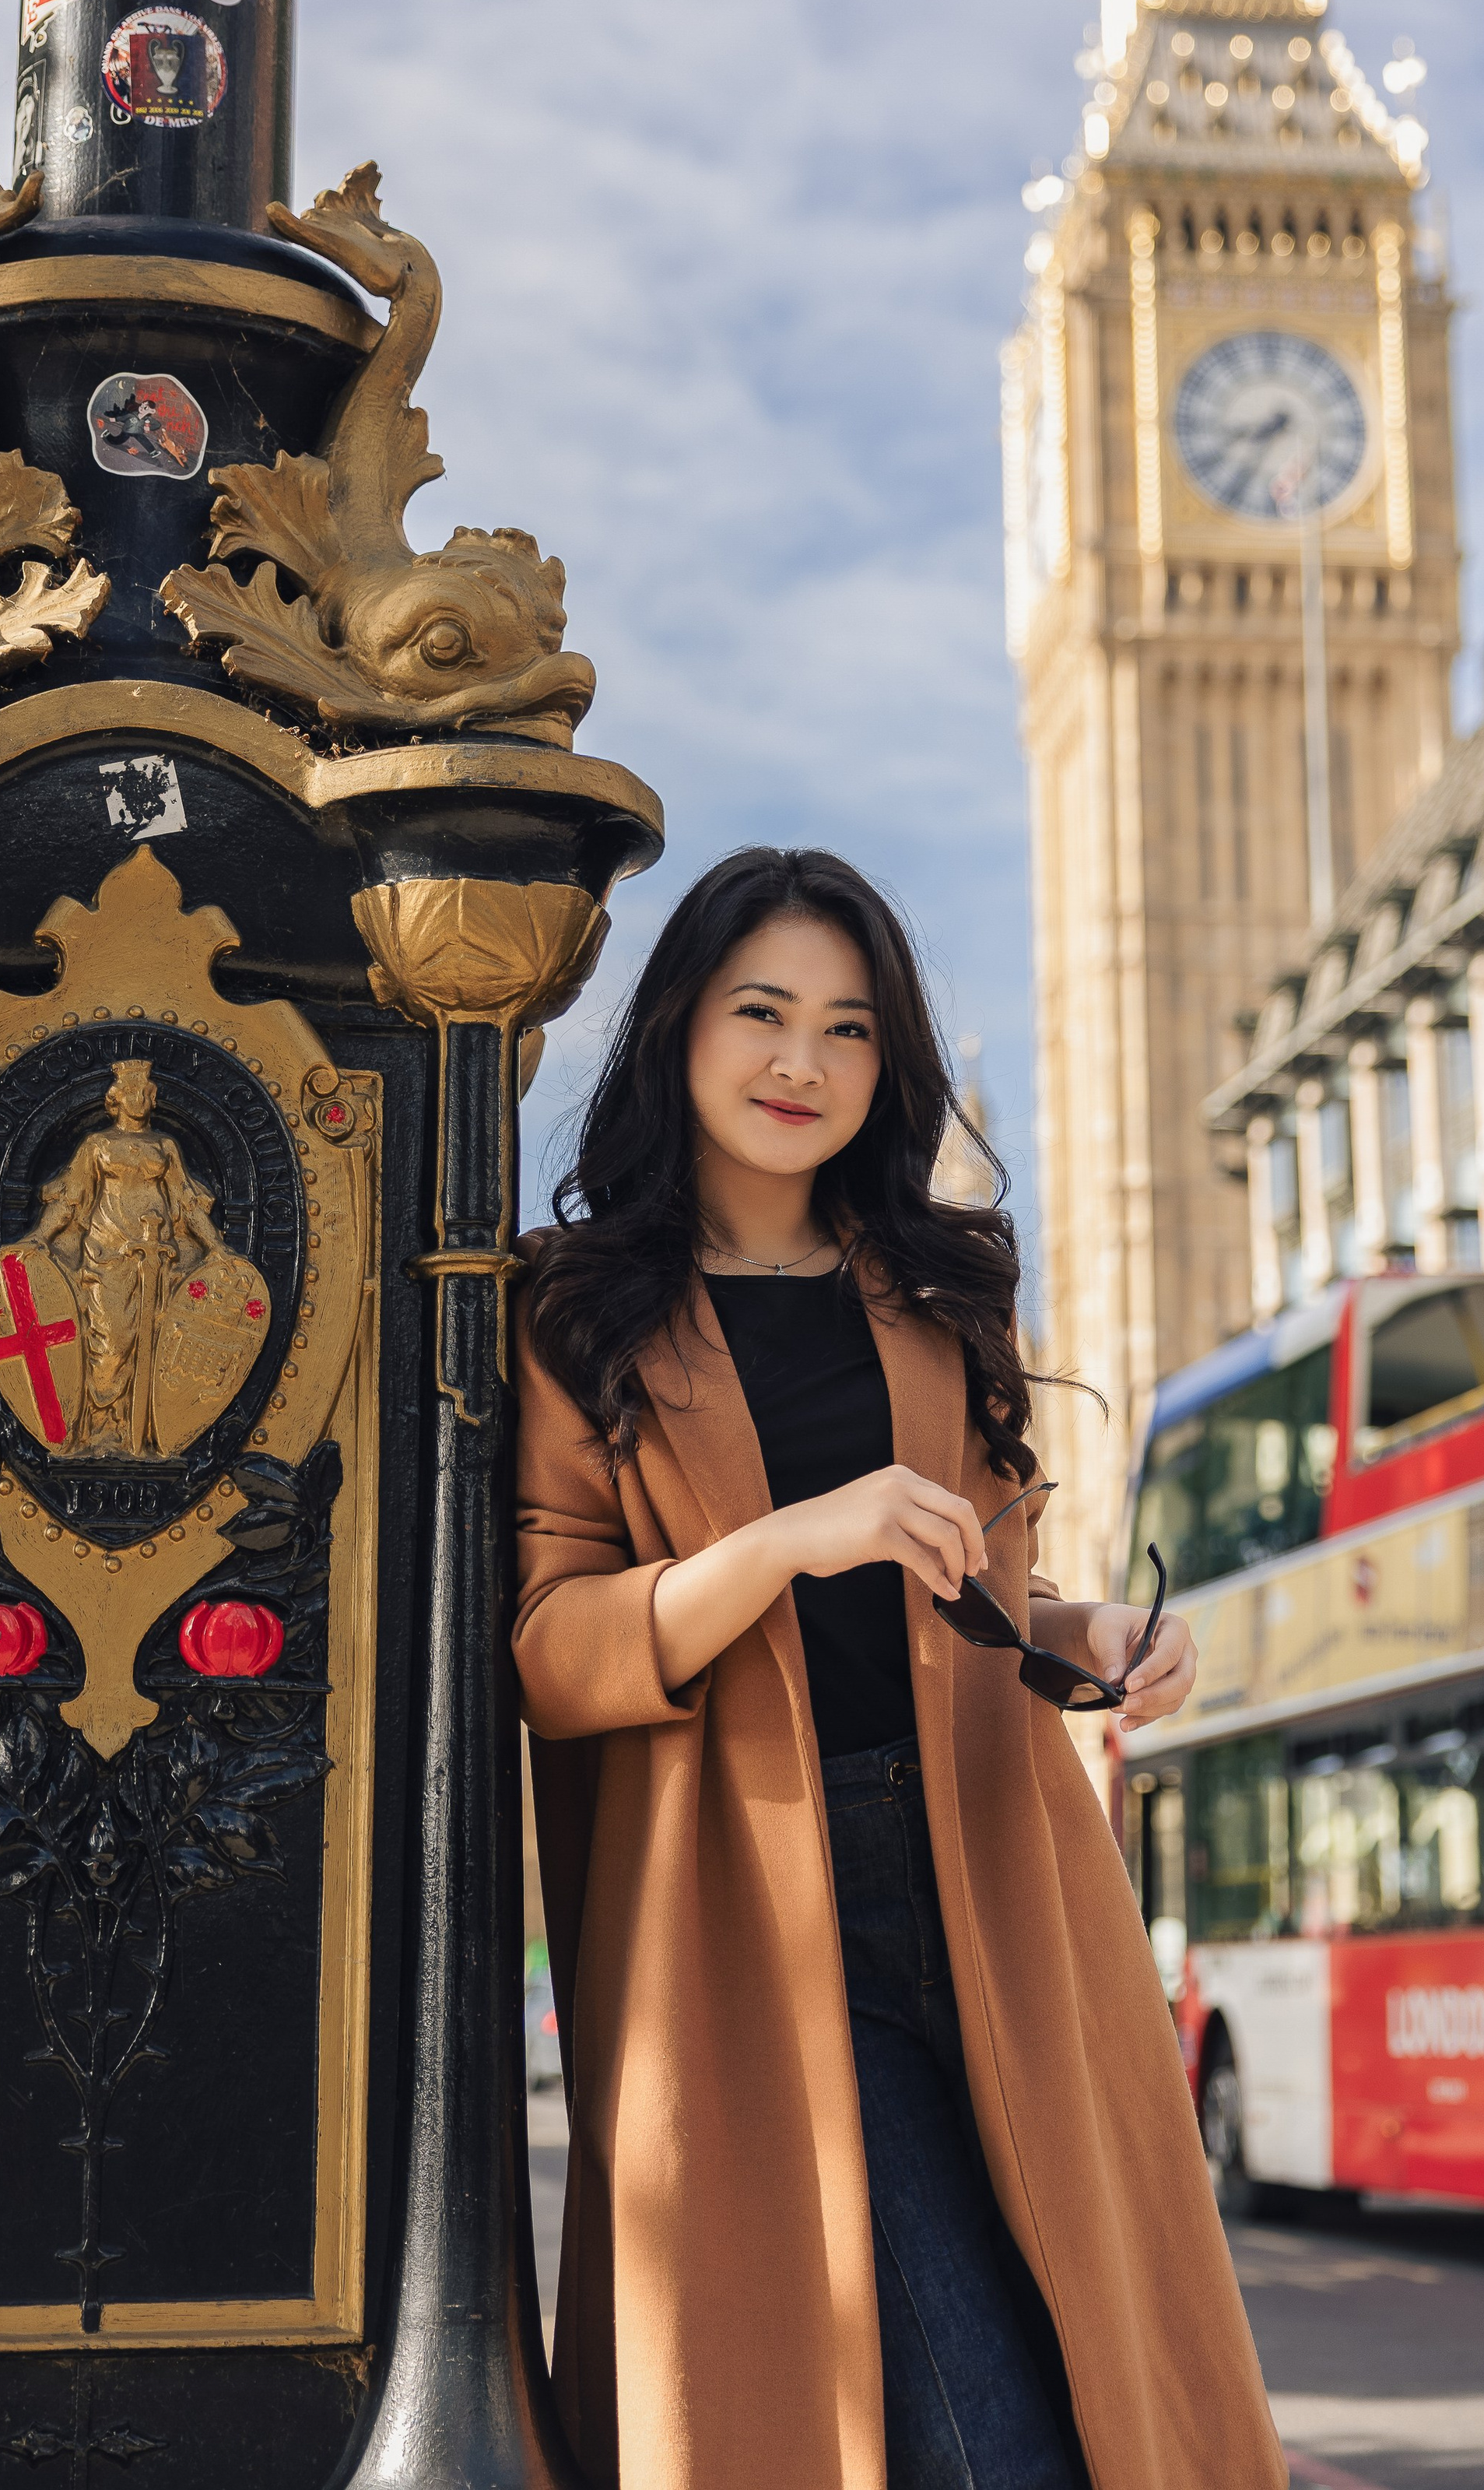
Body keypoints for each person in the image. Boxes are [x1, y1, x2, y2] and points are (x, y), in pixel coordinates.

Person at [514, 848, 1285, 2490]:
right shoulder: (577, 1310)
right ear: (682, 1025)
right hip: (756, 1902)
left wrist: (1090, 1637)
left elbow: (982, 1587)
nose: (802, 1060)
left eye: (849, 1027)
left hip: (998, 1879)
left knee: (1093, 2378)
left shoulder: (939, 1287)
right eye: (763, 1012)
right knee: (966, 2432)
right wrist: (787, 1542)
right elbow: (550, 1648)